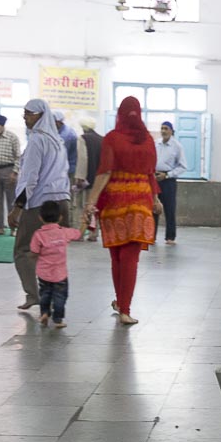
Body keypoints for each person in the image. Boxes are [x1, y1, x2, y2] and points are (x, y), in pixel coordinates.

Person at [84, 96, 162, 326]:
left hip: (114, 204)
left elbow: (105, 172)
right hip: (140, 204)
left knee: (117, 257)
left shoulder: (112, 138)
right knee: (130, 259)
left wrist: (91, 202)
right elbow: (150, 173)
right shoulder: (147, 140)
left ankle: (122, 304)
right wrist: (156, 199)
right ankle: (124, 307)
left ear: (120, 114)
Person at [9, 100, 70, 311]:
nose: (25, 117)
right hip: (61, 200)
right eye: (24, 113)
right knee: (53, 251)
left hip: (40, 203)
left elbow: (30, 177)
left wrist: (17, 207)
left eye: (29, 113)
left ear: (41, 115)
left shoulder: (37, 140)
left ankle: (33, 294)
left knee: (23, 250)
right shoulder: (57, 141)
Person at [30, 200, 82, 328]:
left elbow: (34, 252)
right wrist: (85, 223)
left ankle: (44, 313)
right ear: (60, 217)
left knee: (45, 294)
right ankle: (58, 319)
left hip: (44, 273)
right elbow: (78, 234)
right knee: (60, 296)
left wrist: (35, 257)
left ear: (40, 217)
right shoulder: (64, 232)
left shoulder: (38, 235)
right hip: (60, 274)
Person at [154, 120, 189, 245]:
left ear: (171, 131)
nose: (163, 131)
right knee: (154, 207)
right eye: (162, 128)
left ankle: (170, 237)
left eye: (166, 129)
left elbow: (183, 166)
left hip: (168, 180)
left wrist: (167, 175)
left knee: (169, 208)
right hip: (155, 178)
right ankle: (151, 236)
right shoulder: (156, 143)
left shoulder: (177, 146)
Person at [54, 110, 78, 182]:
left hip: (67, 170)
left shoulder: (67, 134)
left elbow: (60, 154)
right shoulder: (58, 131)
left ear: (59, 122)